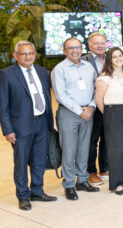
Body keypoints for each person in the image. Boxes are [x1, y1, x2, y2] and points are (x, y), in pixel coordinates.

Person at [1, 41, 56, 210]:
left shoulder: (41, 71)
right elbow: (2, 105)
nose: (28, 56)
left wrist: (49, 121)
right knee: (21, 162)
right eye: (24, 54)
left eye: (31, 53)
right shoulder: (7, 74)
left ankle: (37, 191)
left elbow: (46, 95)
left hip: (42, 122)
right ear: (15, 55)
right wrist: (8, 129)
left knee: (39, 159)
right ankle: (23, 195)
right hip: (21, 126)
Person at [52, 38, 100, 200]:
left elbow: (96, 89)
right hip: (69, 114)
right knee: (69, 149)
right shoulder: (59, 69)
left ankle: (83, 180)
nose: (75, 51)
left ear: (82, 49)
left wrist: (92, 106)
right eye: (70, 48)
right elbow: (60, 95)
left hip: (88, 112)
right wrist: (80, 110)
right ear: (65, 51)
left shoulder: (88, 67)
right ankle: (69, 184)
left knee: (84, 148)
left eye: (77, 47)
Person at [94, 47, 123, 195]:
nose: (118, 59)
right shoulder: (104, 78)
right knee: (116, 149)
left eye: (120, 56)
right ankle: (117, 184)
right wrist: (109, 115)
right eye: (114, 57)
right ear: (109, 60)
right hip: (112, 113)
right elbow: (99, 100)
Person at [82, 32, 108, 185]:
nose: (100, 46)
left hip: (108, 105)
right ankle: (91, 171)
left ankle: (104, 168)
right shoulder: (84, 60)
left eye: (102, 43)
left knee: (107, 138)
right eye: (96, 43)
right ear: (90, 45)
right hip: (92, 106)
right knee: (92, 140)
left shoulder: (109, 59)